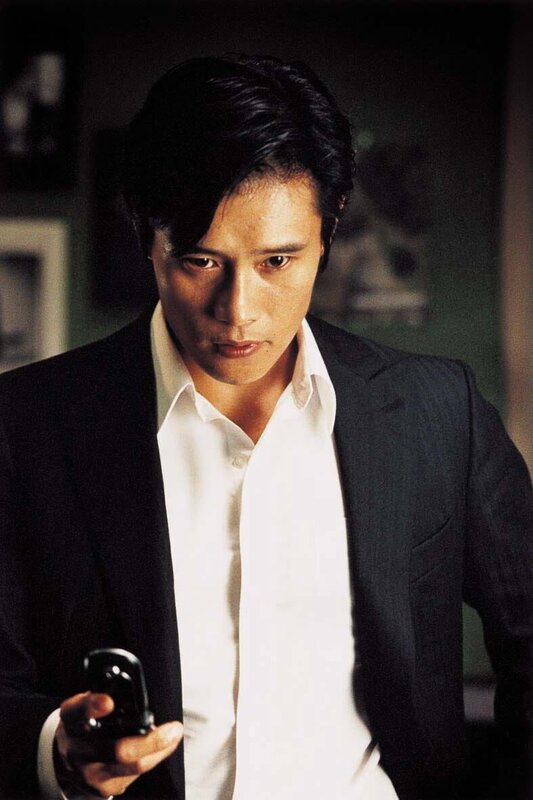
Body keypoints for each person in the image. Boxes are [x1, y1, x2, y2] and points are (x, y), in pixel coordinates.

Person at [0, 54, 531, 800]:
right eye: (199, 260)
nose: (238, 311)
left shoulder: (439, 413)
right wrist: (58, 749)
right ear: (146, 236)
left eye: (278, 260)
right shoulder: (25, 426)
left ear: (330, 226)